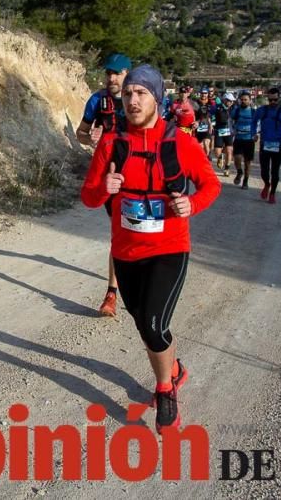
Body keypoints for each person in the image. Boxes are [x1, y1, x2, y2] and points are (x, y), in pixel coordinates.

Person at [81, 64, 221, 432]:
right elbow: (88, 197)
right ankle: (174, 367)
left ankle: (165, 388)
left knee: (155, 324)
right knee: (144, 324)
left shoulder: (180, 143)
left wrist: (193, 204)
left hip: (169, 248)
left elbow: (210, 185)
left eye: (141, 93)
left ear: (157, 99)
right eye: (128, 94)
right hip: (127, 252)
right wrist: (104, 188)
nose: (132, 100)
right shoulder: (111, 143)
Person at [75, 53, 130, 317]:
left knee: (138, 229)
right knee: (119, 232)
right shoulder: (98, 100)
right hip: (109, 175)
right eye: (108, 72)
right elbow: (80, 133)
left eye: (116, 73)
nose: (111, 78)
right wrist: (90, 138)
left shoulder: (139, 98)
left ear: (127, 74)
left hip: (139, 174)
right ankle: (112, 292)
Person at [254, 87, 281, 204]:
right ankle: (267, 185)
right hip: (264, 144)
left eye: (275, 100)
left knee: (275, 171)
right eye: (270, 100)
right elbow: (253, 122)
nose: (272, 102)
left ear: (279, 99)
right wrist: (254, 133)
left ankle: (272, 193)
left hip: (278, 145)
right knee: (264, 171)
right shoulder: (262, 110)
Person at [230, 90, 258, 190]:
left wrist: (256, 134)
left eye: (245, 100)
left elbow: (258, 124)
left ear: (250, 101)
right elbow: (230, 121)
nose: (243, 101)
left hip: (249, 140)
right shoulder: (236, 111)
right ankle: (239, 172)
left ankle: (245, 181)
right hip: (238, 139)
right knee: (237, 158)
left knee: (247, 162)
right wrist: (231, 130)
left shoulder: (254, 112)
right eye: (242, 100)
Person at [213, 92, 236, 177]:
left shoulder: (234, 108)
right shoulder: (217, 108)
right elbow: (209, 115)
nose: (231, 102)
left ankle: (227, 169)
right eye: (229, 101)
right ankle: (220, 157)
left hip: (229, 132)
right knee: (217, 152)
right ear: (225, 100)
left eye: (232, 101)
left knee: (229, 150)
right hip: (219, 131)